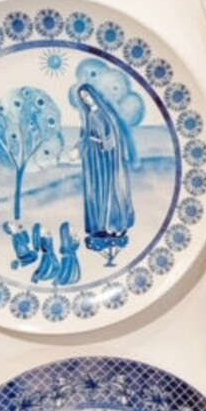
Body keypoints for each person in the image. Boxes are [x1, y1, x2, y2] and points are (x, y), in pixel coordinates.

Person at [76, 83, 135, 252]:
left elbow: (113, 137)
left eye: (87, 95)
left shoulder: (105, 113)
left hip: (107, 160)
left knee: (109, 190)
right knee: (97, 192)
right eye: (82, 98)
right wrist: (80, 148)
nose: (86, 99)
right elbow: (86, 136)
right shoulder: (89, 115)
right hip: (94, 159)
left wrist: (101, 142)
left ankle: (114, 224)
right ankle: (99, 226)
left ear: (93, 94)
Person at [55, 221, 81, 286]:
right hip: (68, 257)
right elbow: (70, 248)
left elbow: (74, 247)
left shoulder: (70, 237)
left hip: (70, 256)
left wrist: (77, 241)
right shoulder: (66, 239)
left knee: (70, 270)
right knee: (66, 270)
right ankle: (61, 281)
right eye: (70, 228)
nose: (71, 229)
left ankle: (64, 280)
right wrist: (76, 241)